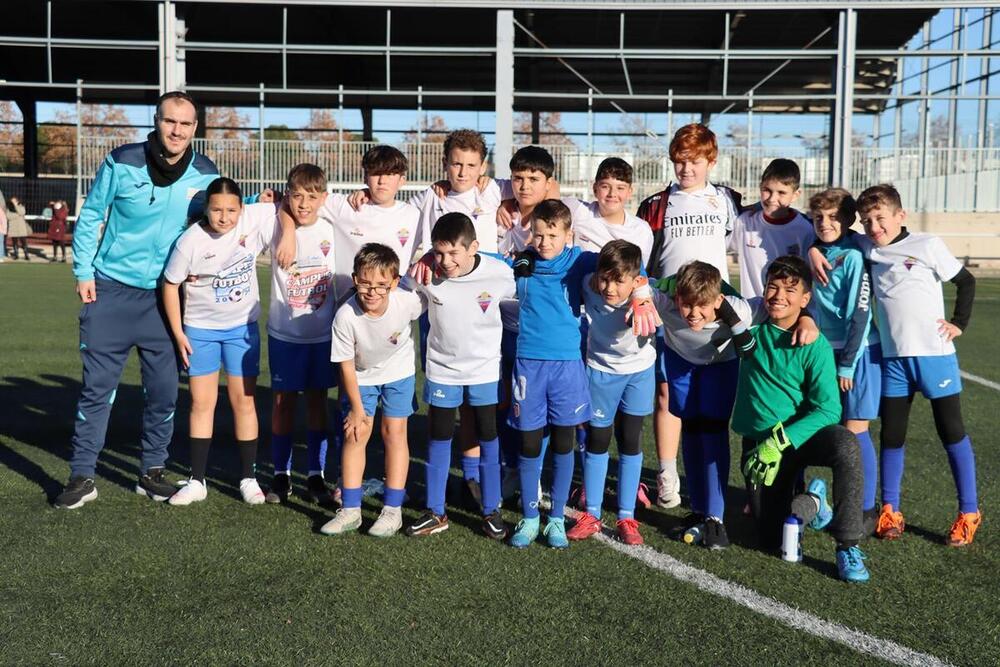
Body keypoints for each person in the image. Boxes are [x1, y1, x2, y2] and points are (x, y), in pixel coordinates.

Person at [55, 91, 218, 509]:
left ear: (195, 128)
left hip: (165, 299)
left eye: (185, 124)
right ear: (157, 121)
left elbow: (224, 213)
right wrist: (84, 271)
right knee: (97, 391)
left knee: (163, 392)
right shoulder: (123, 161)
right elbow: (92, 214)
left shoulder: (204, 172)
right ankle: (81, 476)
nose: (176, 130)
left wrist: (273, 206)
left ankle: (151, 472)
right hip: (110, 290)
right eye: (169, 121)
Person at [814, 184, 981, 546]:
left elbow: (965, 282)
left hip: (933, 356)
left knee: (950, 431)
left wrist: (959, 323)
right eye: (867, 221)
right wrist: (813, 250)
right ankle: (890, 510)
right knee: (892, 436)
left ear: (900, 216)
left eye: (881, 219)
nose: (875, 227)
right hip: (892, 361)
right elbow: (833, 239)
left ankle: (968, 511)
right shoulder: (866, 247)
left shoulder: (927, 245)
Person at [504, 200, 659, 549]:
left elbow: (629, 266)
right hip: (529, 363)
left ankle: (558, 517)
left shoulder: (579, 260)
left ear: (568, 234)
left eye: (552, 235)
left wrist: (642, 294)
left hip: (569, 366)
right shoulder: (522, 262)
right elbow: (480, 261)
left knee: (565, 443)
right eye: (538, 234)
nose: (544, 242)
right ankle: (530, 519)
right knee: (529, 445)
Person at [734, 256, 869, 582]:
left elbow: (829, 410)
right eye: (773, 287)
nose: (779, 295)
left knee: (846, 443)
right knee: (769, 542)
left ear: (805, 299)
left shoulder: (815, 344)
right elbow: (711, 293)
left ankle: (847, 544)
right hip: (760, 445)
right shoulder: (749, 324)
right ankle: (812, 500)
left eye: (790, 290)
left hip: (798, 440)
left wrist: (780, 440)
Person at [636, 123, 743, 510]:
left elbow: (745, 245)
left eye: (694, 161)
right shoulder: (656, 205)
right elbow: (642, 258)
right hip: (671, 313)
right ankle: (667, 474)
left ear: (711, 160)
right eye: (680, 161)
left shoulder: (728, 202)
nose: (686, 170)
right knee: (666, 395)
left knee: (711, 409)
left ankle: (712, 488)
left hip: (716, 317)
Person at [160, 177, 272, 506]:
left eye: (232, 210)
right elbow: (170, 285)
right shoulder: (190, 241)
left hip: (242, 330)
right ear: (205, 209)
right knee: (201, 403)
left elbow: (288, 207)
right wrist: (179, 331)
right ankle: (197, 480)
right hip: (200, 331)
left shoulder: (251, 221)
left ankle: (248, 477)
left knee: (244, 402)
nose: (225, 217)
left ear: (242, 208)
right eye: (217, 210)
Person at [403, 212, 515, 539]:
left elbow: (525, 277)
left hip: (484, 370)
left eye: (454, 253)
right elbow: (401, 292)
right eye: (439, 252)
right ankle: (436, 512)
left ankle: (491, 510)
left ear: (473, 248)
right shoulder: (427, 272)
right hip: (442, 369)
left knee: (487, 436)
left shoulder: (499, 273)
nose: (446, 261)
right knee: (438, 436)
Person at [647, 261, 757, 549]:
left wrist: (807, 318)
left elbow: (769, 307)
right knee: (691, 430)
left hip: (720, 366)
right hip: (681, 362)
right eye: (687, 306)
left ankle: (715, 517)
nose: (694, 315)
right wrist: (638, 295)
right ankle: (698, 508)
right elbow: (638, 285)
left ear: (718, 301)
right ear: (676, 299)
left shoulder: (738, 308)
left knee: (713, 433)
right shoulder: (666, 302)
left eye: (702, 307)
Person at [322, 244, 424, 537]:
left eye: (381, 285)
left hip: (399, 372)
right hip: (361, 376)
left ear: (394, 283)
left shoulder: (407, 302)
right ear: (354, 279)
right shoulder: (345, 316)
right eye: (365, 283)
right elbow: (345, 366)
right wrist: (356, 408)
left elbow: (434, 296)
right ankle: (351, 510)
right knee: (356, 432)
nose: (372, 292)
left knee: (394, 433)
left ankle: (392, 511)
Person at [565, 240, 656, 545]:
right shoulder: (587, 286)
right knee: (597, 440)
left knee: (630, 440)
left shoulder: (647, 294)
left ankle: (627, 517)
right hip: (601, 371)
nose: (610, 288)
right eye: (605, 278)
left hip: (639, 373)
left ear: (636, 280)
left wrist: (643, 293)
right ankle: (591, 513)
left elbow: (667, 286)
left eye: (619, 281)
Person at [807, 188, 881, 533]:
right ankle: (823, 501)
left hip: (858, 352)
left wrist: (848, 363)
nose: (825, 223)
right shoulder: (818, 249)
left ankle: (864, 511)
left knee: (855, 430)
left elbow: (861, 313)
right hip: (825, 349)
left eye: (834, 217)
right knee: (820, 427)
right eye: (819, 217)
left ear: (848, 220)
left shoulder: (853, 257)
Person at [264, 163, 339, 506]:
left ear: (324, 198)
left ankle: (315, 474)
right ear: (287, 197)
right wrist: (286, 225)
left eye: (311, 197)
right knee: (282, 403)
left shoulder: (332, 226)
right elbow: (258, 205)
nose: (303, 204)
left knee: (316, 404)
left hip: (322, 335)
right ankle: (281, 473)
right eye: (296, 197)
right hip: (284, 335)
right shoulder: (275, 224)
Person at [729, 158, 814, 299]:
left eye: (781, 193)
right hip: (753, 315)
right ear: (760, 187)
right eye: (767, 190)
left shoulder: (806, 230)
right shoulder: (744, 222)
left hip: (788, 316)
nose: (772, 199)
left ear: (796, 195)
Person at [6, 196, 31, 261]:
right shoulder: (8, 208)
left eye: (14, 201)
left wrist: (16, 206)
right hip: (13, 228)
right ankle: (16, 254)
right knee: (14, 242)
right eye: (12, 201)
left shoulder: (21, 207)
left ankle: (26, 255)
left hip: (21, 227)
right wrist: (17, 215)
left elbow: (22, 212)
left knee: (24, 242)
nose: (13, 202)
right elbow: (8, 216)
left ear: (17, 201)